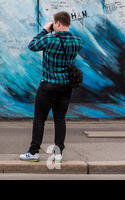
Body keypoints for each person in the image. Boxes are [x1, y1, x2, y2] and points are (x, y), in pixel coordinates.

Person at [20, 12, 82, 163]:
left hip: (48, 85)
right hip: (65, 86)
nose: (53, 26)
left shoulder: (49, 39)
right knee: (60, 119)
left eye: (54, 24)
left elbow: (32, 45)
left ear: (58, 23)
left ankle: (34, 152)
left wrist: (45, 30)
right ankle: (58, 152)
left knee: (39, 119)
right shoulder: (77, 41)